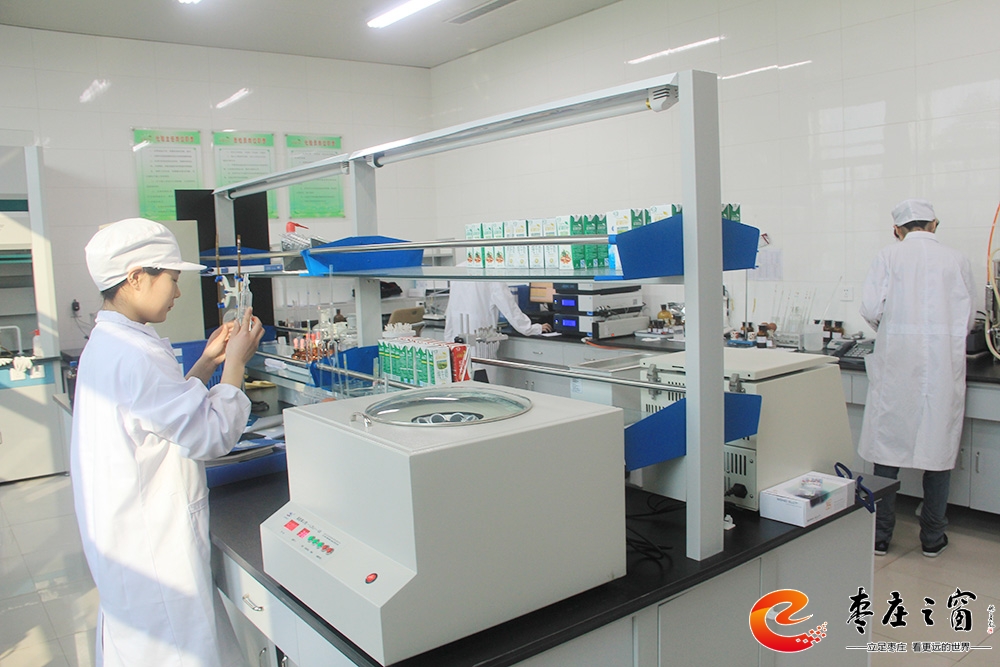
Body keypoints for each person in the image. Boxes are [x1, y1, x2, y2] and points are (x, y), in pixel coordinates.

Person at [71, 218, 265, 666]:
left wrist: (208, 362)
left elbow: (163, 411)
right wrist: (235, 364)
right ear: (137, 277)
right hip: (153, 552)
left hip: (126, 544)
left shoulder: (111, 342)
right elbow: (210, 435)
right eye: (172, 279)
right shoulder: (135, 354)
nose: (178, 293)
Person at [858, 199, 976, 559]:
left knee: (886, 449)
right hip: (943, 367)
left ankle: (880, 537)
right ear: (934, 224)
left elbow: (870, 309)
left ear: (897, 229)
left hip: (897, 364)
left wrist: (892, 328)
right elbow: (968, 318)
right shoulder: (956, 260)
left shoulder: (888, 256)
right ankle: (932, 538)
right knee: (938, 452)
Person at [444, 280, 552, 381]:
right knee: (483, 385)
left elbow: (450, 311)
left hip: (457, 346)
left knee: (462, 385)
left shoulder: (458, 274)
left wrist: (448, 342)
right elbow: (510, 309)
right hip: (481, 345)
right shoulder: (492, 278)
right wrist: (531, 328)